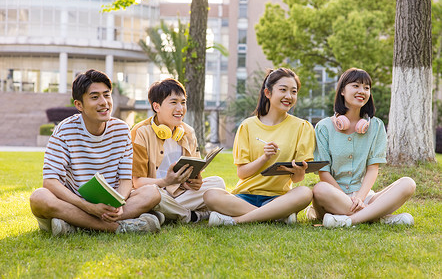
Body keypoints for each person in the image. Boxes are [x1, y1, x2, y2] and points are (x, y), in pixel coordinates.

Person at [30, 69, 162, 236]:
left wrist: (119, 204)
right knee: (39, 197)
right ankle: (118, 228)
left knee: (152, 192)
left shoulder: (121, 130)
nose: (104, 102)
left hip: (110, 204)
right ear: (79, 105)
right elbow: (50, 182)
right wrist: (88, 207)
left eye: (106, 95)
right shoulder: (64, 131)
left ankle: (74, 225)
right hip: (75, 203)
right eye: (95, 97)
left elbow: (126, 180)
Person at [203, 68, 315, 226]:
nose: (289, 96)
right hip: (245, 196)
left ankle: (236, 220)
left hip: (279, 197)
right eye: (283, 90)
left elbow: (297, 178)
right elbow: (242, 173)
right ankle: (276, 216)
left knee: (305, 193)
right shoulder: (247, 126)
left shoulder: (303, 127)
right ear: (268, 93)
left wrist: (299, 171)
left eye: (293, 92)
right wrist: (264, 158)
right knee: (210, 195)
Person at [312, 68, 416, 228]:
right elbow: (323, 173)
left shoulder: (376, 126)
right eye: (356, 86)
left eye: (366, 88)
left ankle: (349, 221)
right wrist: (346, 199)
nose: (362, 91)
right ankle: (379, 217)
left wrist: (359, 198)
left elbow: (372, 169)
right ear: (342, 91)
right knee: (319, 189)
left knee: (408, 183)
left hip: (364, 197)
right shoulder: (324, 127)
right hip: (333, 196)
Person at [131, 78, 225, 223]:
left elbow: (196, 175)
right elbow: (137, 182)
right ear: (157, 107)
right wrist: (165, 181)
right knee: (152, 195)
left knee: (217, 183)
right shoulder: (140, 132)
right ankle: (192, 216)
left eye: (183, 102)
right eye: (174, 102)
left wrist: (196, 182)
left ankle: (165, 214)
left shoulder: (188, 131)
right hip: (156, 193)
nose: (180, 109)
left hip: (180, 194)